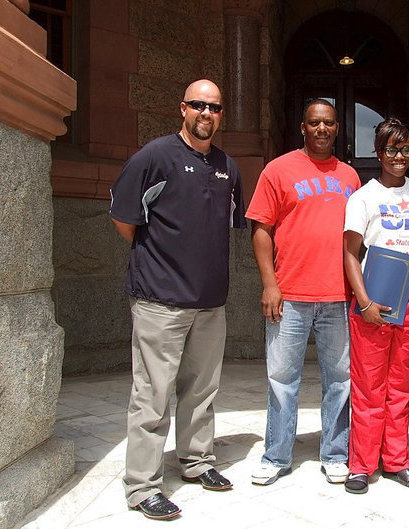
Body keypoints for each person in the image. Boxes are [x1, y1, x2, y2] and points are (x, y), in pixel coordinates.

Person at [110, 79, 246, 520]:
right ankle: (142, 485)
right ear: (182, 109)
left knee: (201, 390)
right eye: (198, 106)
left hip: (209, 301)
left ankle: (196, 461)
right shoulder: (154, 156)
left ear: (222, 115)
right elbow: (124, 220)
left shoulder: (228, 166)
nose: (206, 114)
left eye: (215, 108)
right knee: (152, 395)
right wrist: (160, 262)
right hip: (160, 300)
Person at [246, 98, 360, 486]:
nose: (322, 130)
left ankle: (335, 453)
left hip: (338, 296)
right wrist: (269, 284)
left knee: (340, 379)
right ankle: (276, 455)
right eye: (315, 123)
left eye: (328, 123)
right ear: (303, 127)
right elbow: (261, 230)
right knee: (281, 377)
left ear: (337, 127)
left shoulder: (350, 177)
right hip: (290, 294)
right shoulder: (278, 170)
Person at [342, 118, 409, 494]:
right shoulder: (363, 197)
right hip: (374, 298)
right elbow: (349, 253)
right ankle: (361, 464)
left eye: (405, 149)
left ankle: (397, 459)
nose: (399, 157)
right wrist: (364, 301)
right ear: (378, 153)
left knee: (401, 385)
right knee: (369, 384)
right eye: (391, 149)